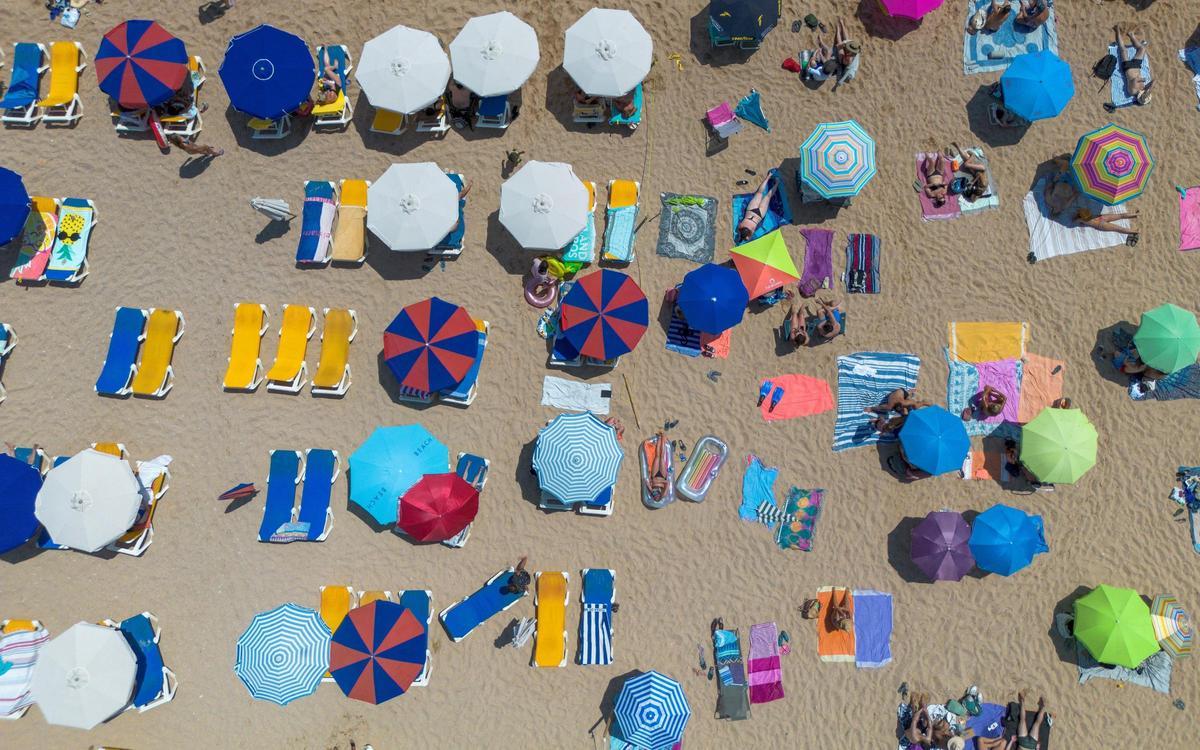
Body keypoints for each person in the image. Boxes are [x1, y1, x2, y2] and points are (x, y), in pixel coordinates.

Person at [1114, 26, 1152, 105]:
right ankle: (1131, 35)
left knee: (1123, 49)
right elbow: (1152, 82)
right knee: (1142, 49)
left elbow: (1135, 80)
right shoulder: (1142, 89)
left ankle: (1117, 30)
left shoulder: (1132, 92)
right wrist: (1150, 87)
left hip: (1128, 68)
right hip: (1136, 66)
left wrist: (1143, 80)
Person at [736, 174, 778, 242]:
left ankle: (777, 183)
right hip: (751, 211)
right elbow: (740, 232)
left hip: (759, 215)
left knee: (768, 196)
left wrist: (744, 238)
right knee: (759, 193)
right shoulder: (740, 226)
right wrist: (740, 235)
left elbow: (747, 238)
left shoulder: (751, 232)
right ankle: (768, 177)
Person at [1074, 206, 1139, 243]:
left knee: (1119, 229)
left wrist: (1077, 218)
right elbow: (1082, 210)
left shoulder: (1080, 219)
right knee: (1120, 215)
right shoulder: (1085, 211)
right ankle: (1135, 215)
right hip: (1101, 217)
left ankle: (1136, 232)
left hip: (1100, 225)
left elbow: (1074, 221)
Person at [832, 18, 860, 88]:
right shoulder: (855, 49)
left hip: (847, 65)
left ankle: (838, 29)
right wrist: (844, 44)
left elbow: (838, 46)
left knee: (840, 48)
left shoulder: (849, 60)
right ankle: (841, 24)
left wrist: (842, 45)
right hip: (848, 61)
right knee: (846, 39)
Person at [865, 388, 930, 417]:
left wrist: (871, 408)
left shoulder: (903, 403)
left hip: (902, 392)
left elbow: (914, 403)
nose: (903, 410)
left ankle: (923, 402)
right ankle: (909, 392)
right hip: (899, 394)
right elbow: (879, 407)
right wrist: (871, 408)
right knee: (909, 410)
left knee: (915, 407)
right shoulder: (890, 406)